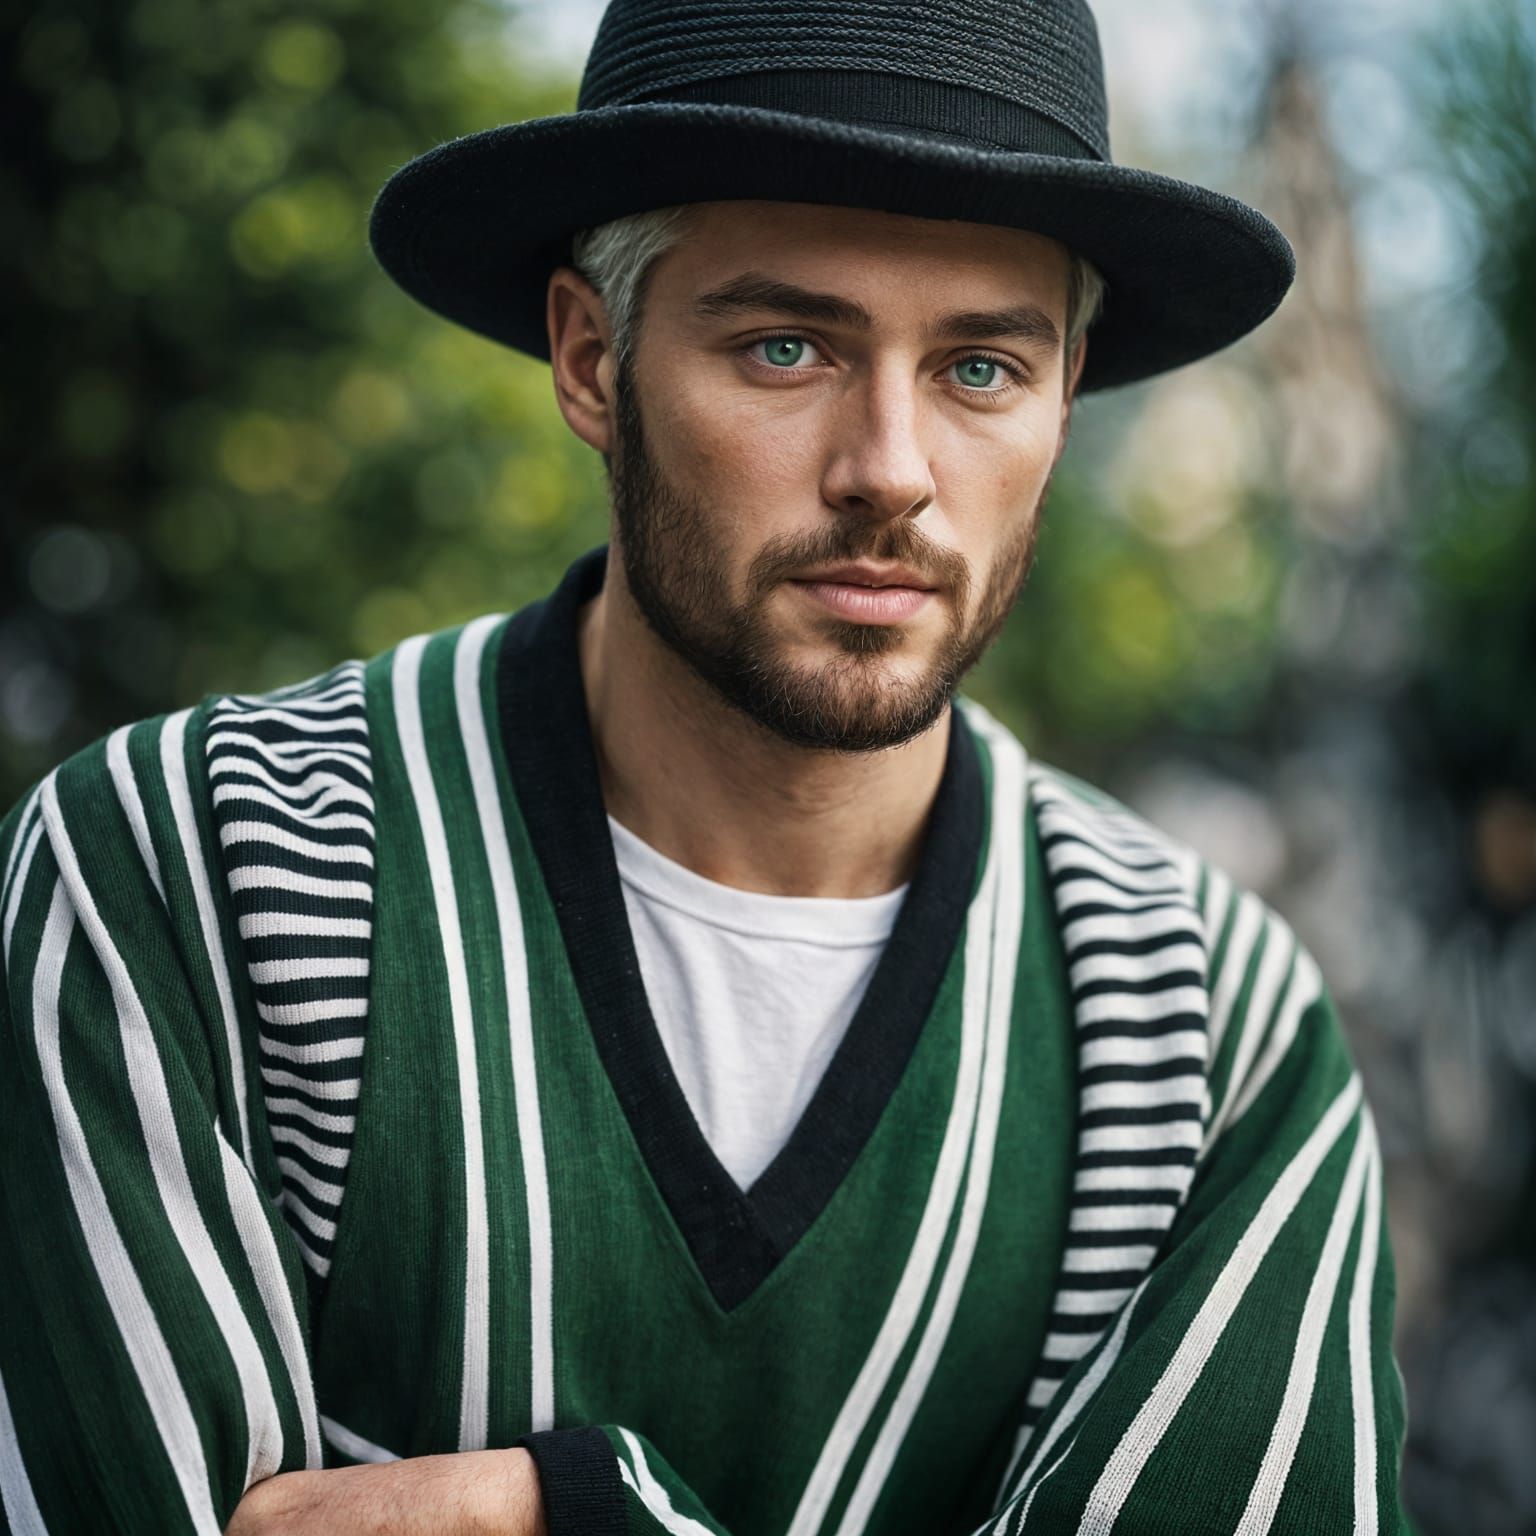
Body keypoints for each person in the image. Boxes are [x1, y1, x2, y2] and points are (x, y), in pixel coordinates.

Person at [0, 1, 1414, 1532]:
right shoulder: (196, 881)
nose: (890, 465)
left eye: (983, 369)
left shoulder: (1207, 1039)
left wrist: (581, 1518)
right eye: (786, 345)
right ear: (593, 359)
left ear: (1066, 399)